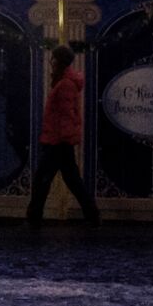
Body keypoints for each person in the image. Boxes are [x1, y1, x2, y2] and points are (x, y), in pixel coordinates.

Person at [27, 45, 100, 227]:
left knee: (42, 179)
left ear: (58, 61)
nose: (51, 61)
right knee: (72, 180)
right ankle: (93, 216)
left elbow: (66, 115)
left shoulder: (65, 84)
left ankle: (33, 219)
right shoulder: (65, 82)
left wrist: (60, 139)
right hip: (60, 141)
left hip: (57, 142)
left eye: (53, 58)